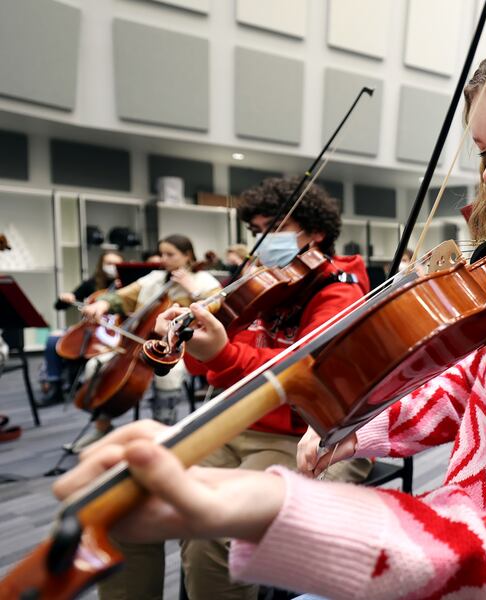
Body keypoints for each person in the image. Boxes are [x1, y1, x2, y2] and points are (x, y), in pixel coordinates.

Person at [55, 32, 486, 598]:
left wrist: (263, 503)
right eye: (483, 150)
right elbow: (462, 388)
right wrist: (347, 429)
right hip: (476, 544)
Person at [93, 177, 373, 600]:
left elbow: (301, 375)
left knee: (213, 535)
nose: (263, 241)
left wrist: (222, 353)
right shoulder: (261, 283)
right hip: (231, 425)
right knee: (122, 502)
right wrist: (188, 338)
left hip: (301, 436)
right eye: (257, 230)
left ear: (315, 233)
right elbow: (207, 362)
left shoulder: (340, 292)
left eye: (275, 227)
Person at [70, 234, 220, 452]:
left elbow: (215, 305)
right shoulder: (155, 278)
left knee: (170, 375)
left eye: (170, 254)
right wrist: (101, 305)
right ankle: (102, 426)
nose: (163, 259)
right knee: (96, 364)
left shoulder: (204, 281)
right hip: (138, 344)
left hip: (178, 350)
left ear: (187, 256)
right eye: (162, 254)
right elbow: (121, 297)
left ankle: (163, 432)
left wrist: (192, 290)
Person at [38, 251, 124, 406]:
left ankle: (86, 385)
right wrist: (66, 298)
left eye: (116, 264)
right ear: (101, 265)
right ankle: (54, 385)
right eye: (108, 264)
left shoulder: (127, 286)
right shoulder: (91, 283)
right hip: (88, 326)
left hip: (112, 330)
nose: (112, 268)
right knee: (53, 339)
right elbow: (60, 306)